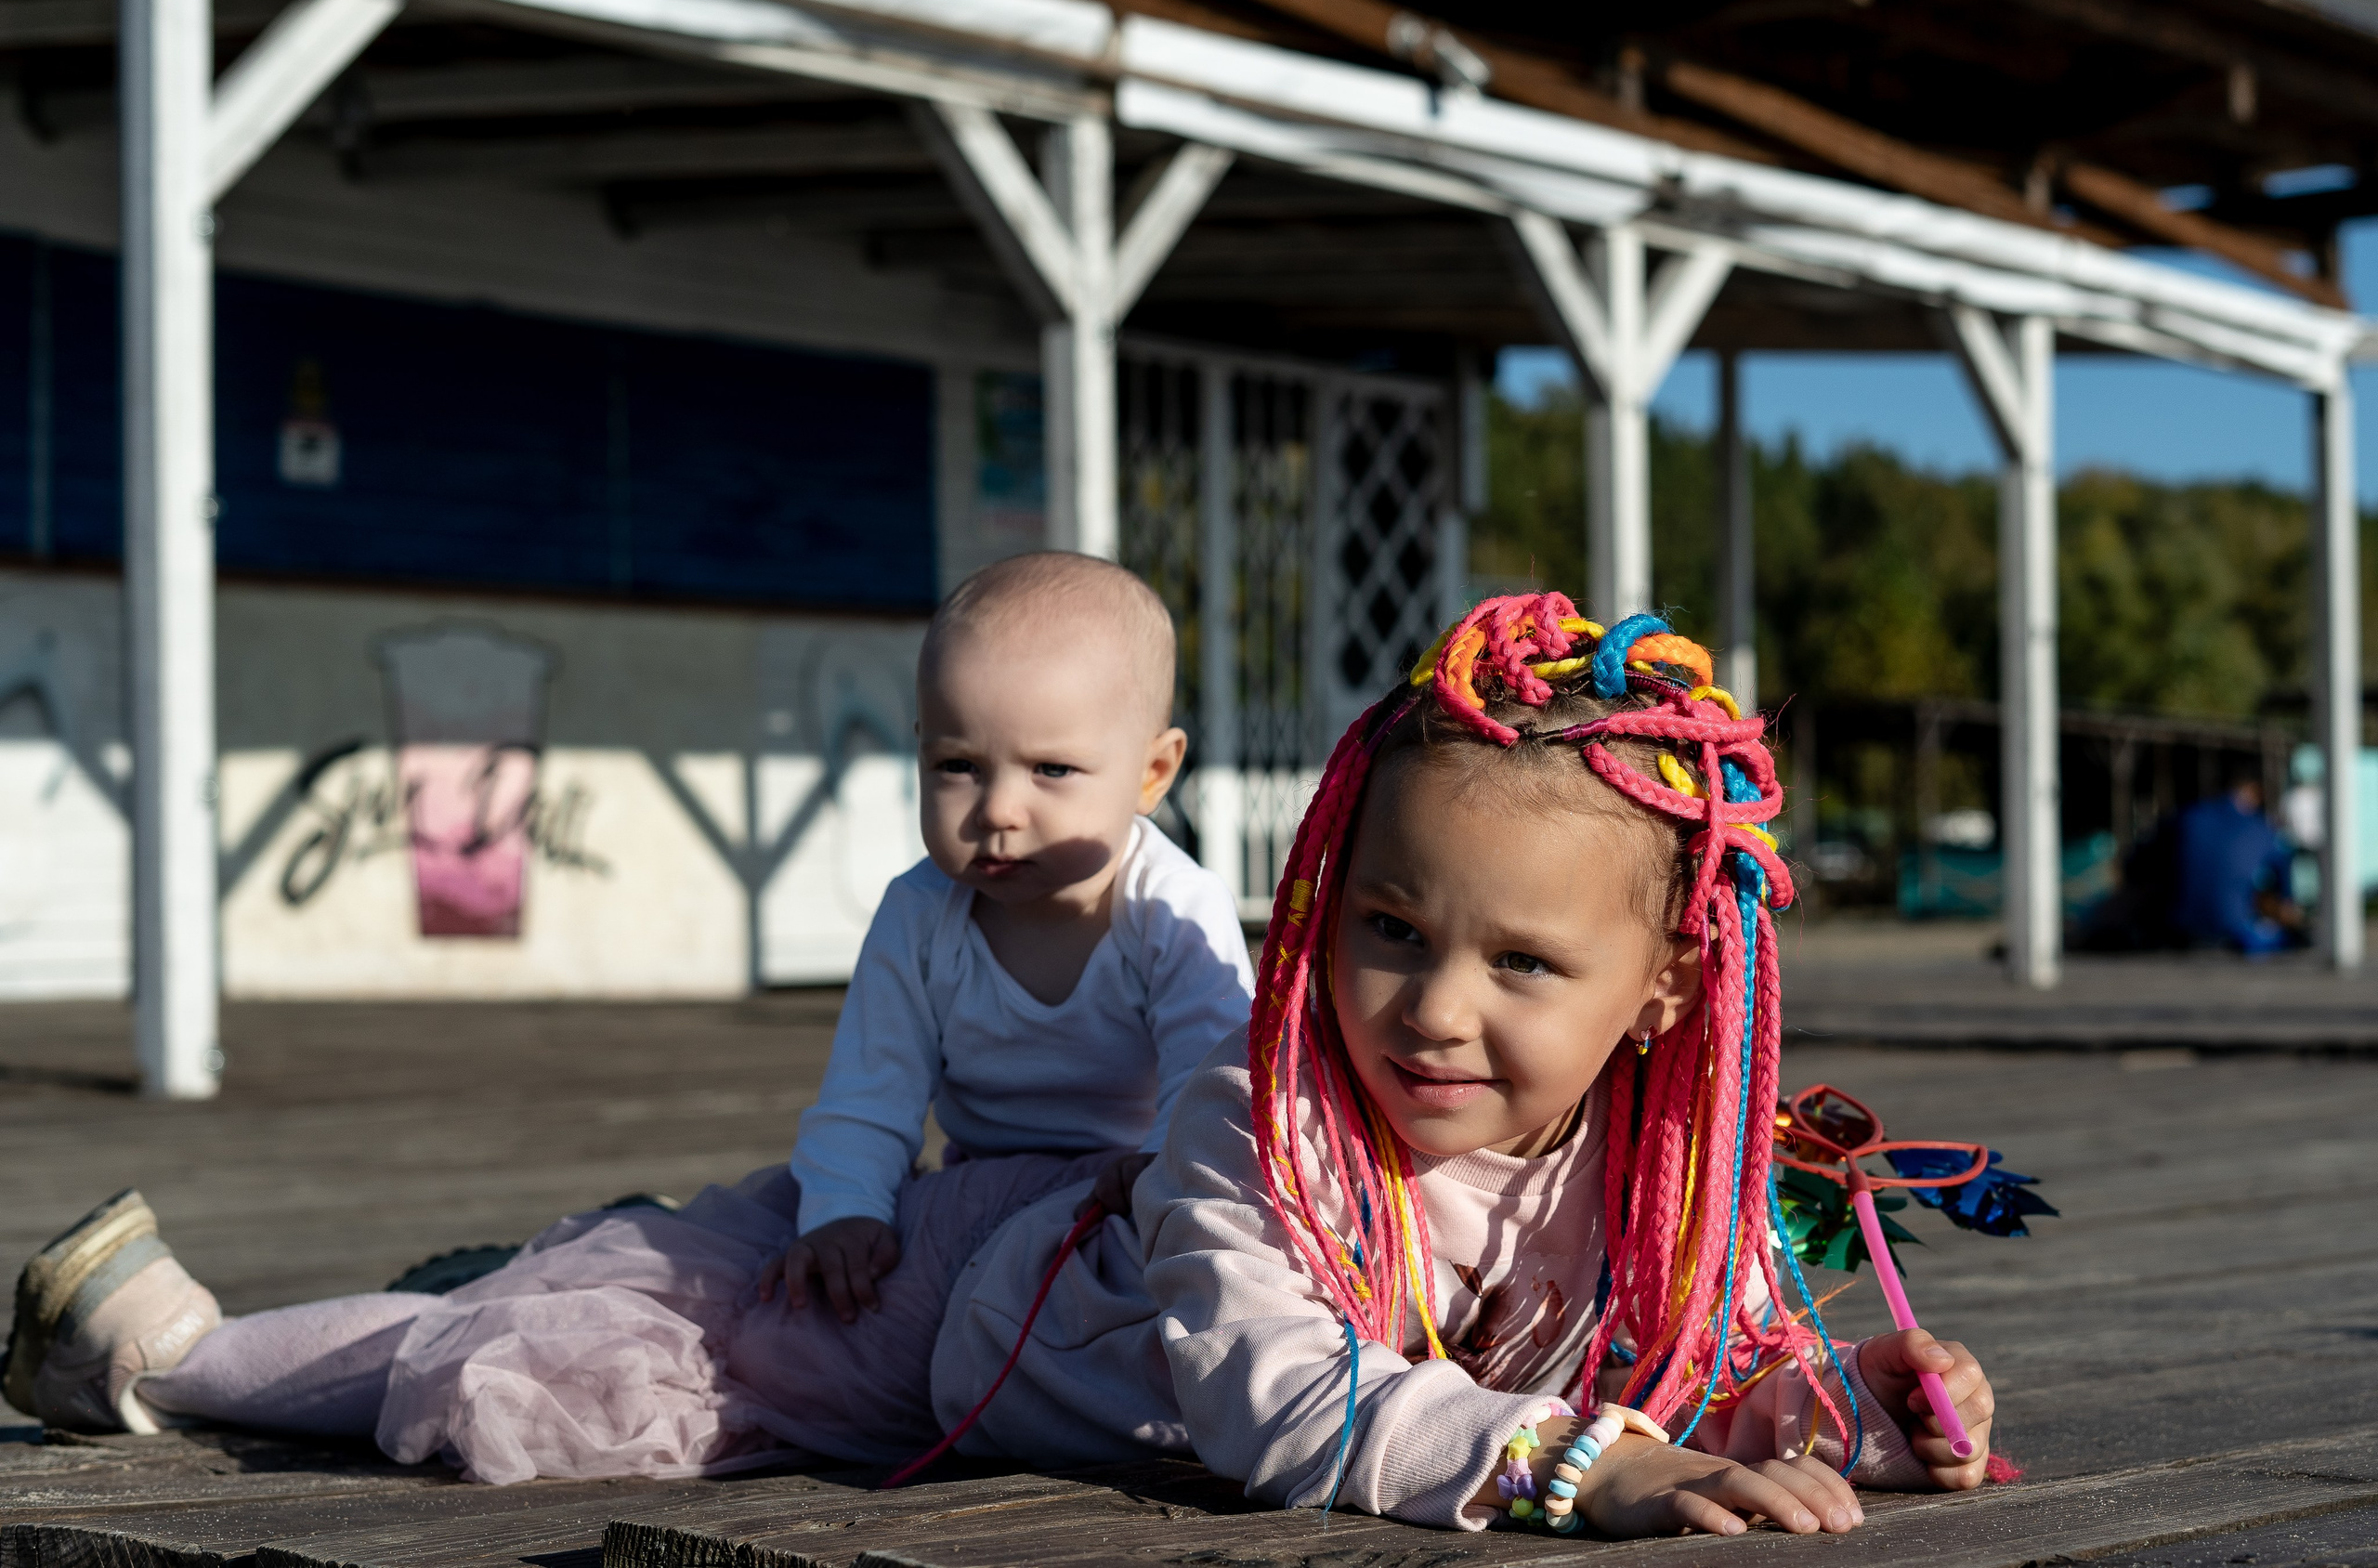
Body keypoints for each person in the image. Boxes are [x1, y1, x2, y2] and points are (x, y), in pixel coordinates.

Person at [3, 552, 1253, 1483]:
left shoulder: (1171, 912)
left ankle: (434, 1301)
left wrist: (1169, 1196)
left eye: (1052, 771)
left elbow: (1220, 1086)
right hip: (958, 1209)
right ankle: (191, 1352)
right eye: (956, 766)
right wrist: (846, 1211)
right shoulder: (920, 912)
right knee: (647, 1345)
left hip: (1102, 1213)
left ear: (1152, 771)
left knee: (655, 1339)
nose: (998, 810)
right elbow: (871, 1089)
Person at [1134, 595, 1998, 1537]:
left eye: (1521, 960)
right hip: (1012, 1346)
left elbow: (1692, 1379)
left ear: (1665, 988)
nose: (1436, 1011)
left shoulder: (1670, 1161)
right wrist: (1576, 1463)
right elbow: (1275, 1392)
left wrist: (1853, 1415)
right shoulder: (1268, 1117)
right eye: (1393, 928)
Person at [2173, 777, 2301, 955]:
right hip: (2233, 931)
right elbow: (2284, 889)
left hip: (2179, 929)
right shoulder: (2261, 830)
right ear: (2253, 791)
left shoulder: (2187, 819)